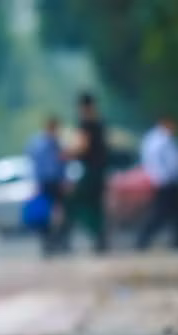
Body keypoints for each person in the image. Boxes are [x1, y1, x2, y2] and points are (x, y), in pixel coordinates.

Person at [138, 115, 178, 250]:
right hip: (165, 182)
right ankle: (143, 239)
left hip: (171, 180)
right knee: (161, 214)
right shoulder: (158, 140)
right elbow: (158, 162)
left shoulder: (166, 139)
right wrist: (162, 176)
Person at [69, 92, 109, 253]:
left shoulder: (86, 124)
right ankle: (100, 238)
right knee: (96, 205)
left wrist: (67, 154)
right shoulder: (100, 123)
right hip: (100, 170)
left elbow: (82, 147)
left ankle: (95, 235)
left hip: (91, 170)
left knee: (76, 202)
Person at [26, 115, 68, 256]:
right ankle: (47, 242)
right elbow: (35, 164)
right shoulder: (39, 144)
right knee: (44, 213)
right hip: (45, 182)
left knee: (59, 213)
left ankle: (58, 241)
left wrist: (64, 179)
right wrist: (36, 182)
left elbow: (63, 163)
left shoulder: (58, 143)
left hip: (56, 182)